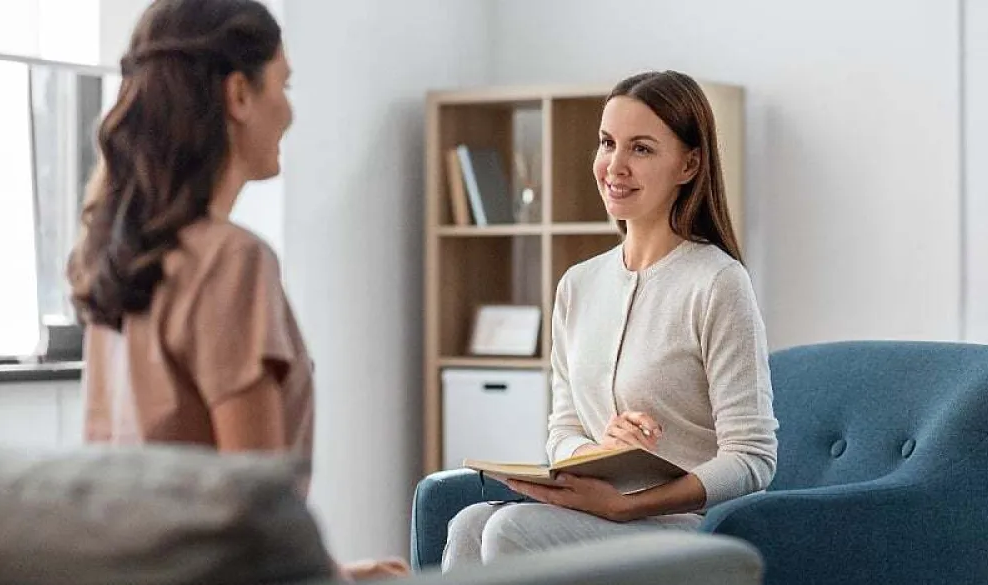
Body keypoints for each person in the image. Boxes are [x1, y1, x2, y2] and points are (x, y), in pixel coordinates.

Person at [67, 0, 407, 580]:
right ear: (239, 94)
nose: (290, 112)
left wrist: (339, 573)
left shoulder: (111, 258)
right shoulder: (233, 262)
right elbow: (256, 516)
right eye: (284, 84)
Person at [441, 70, 779, 570]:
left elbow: (752, 458)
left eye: (641, 148)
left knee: (511, 529)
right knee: (468, 524)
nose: (614, 166)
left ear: (688, 164)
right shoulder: (577, 285)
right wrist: (602, 453)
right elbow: (562, 430)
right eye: (607, 143)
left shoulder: (717, 282)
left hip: (689, 527)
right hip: (604, 518)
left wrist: (629, 505)